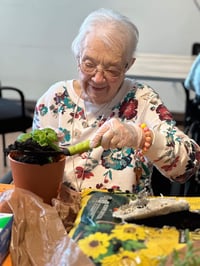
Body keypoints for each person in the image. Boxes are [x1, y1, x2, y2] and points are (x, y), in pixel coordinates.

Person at [32, 8, 200, 194]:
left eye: (112, 69)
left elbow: (188, 166)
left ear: (128, 65)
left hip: (124, 217)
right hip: (62, 215)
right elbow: (31, 169)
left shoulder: (142, 99)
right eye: (89, 64)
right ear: (77, 56)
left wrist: (141, 137)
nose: (97, 78)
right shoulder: (53, 100)